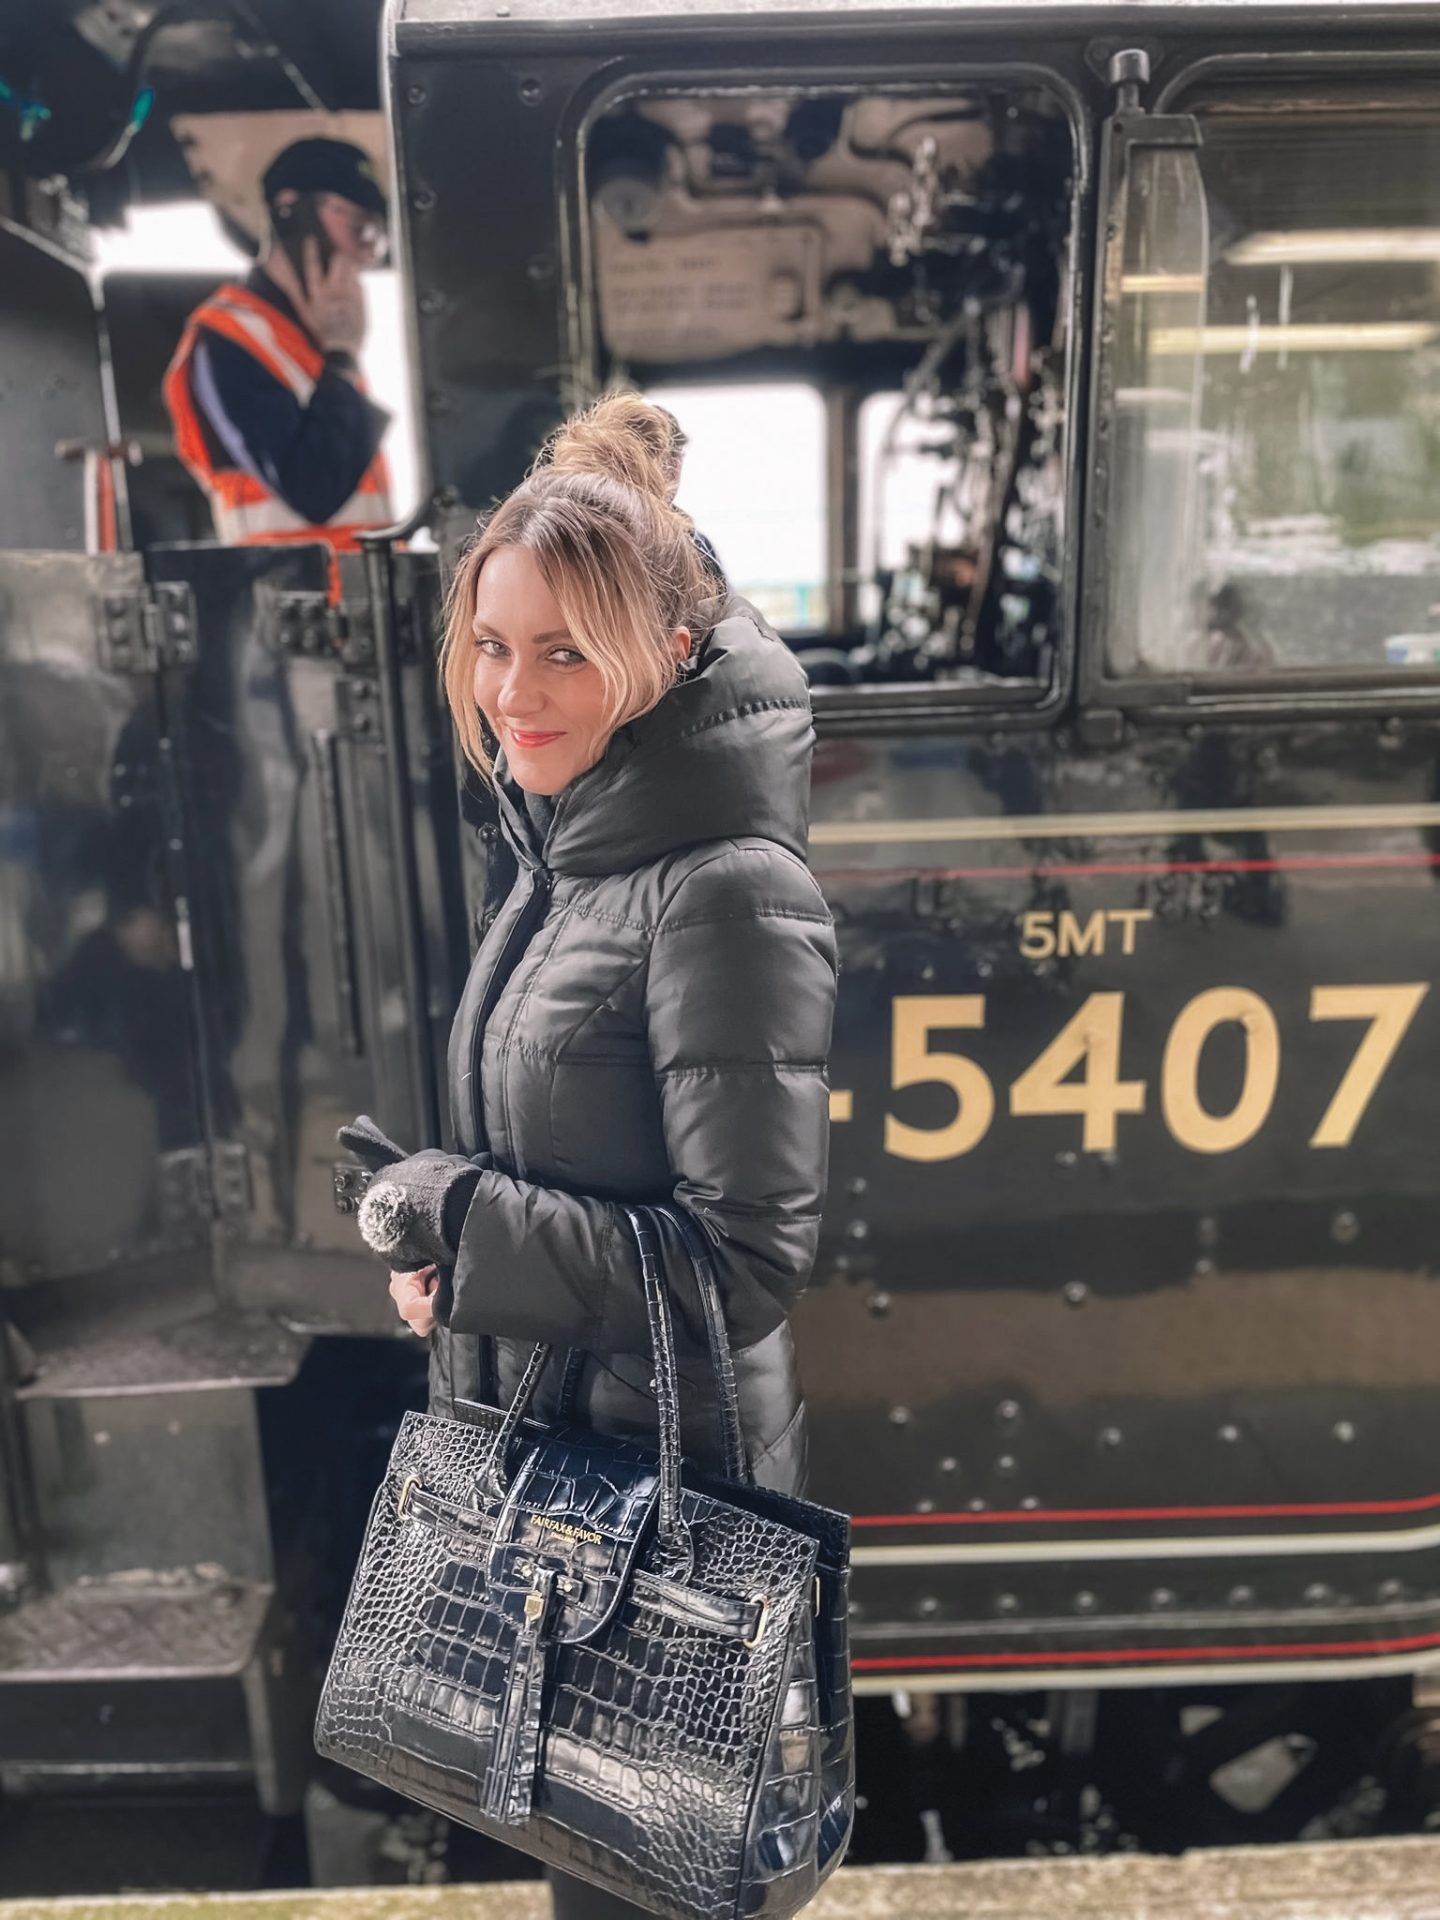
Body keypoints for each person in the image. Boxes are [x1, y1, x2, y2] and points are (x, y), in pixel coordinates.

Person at [342, 394, 837, 1919]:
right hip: (569, 1486)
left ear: (668, 654)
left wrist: (459, 1214)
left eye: (565, 651)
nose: (514, 690)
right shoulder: (575, 848)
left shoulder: (722, 888)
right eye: (495, 645)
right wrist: (457, 1262)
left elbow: (741, 1267)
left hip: (656, 1522)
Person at [163, 138, 393, 558]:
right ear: (291, 212)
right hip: (298, 609)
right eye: (358, 227)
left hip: (363, 601)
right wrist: (342, 357)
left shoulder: (312, 338)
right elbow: (313, 489)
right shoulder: (228, 338)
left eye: (375, 237)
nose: (364, 254)